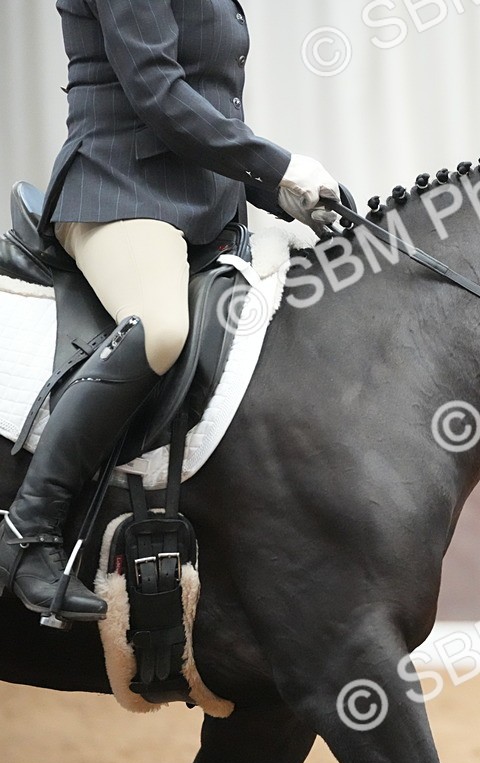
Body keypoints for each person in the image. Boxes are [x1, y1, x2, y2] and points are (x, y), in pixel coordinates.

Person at [0, 0, 341, 623]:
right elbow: (158, 92)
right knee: (159, 329)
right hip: (117, 188)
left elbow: (210, 105)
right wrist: (278, 165)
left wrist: (279, 191)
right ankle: (26, 530)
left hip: (205, 206)